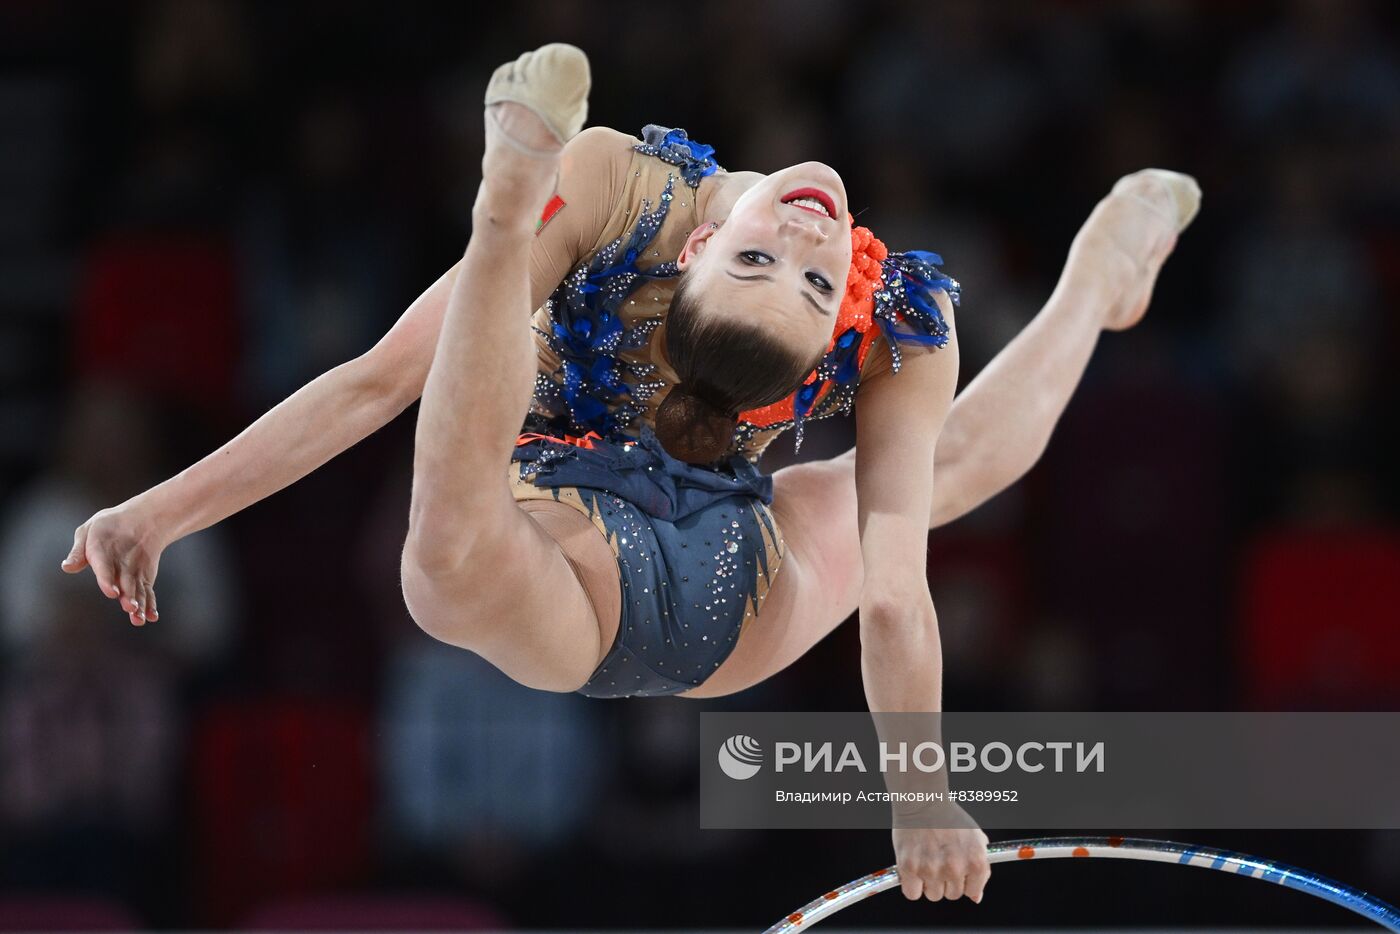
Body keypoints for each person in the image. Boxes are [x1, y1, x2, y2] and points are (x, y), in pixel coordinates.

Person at [60, 44, 1200, 904]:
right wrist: (161, 512)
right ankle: (499, 226)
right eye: (773, 264)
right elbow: (375, 381)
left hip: (722, 581)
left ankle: (1093, 282)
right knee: (453, 537)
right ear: (697, 248)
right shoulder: (616, 184)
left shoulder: (901, 321)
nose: (808, 246)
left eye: (805, 283)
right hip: (562, 529)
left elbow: (896, 589)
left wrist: (922, 799)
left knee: (921, 473)